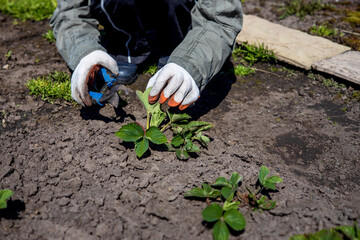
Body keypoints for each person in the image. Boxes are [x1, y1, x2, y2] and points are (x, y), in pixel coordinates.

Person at [50, 0, 243, 110]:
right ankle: (128, 45)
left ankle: (177, 45)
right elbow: (70, 11)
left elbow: (221, 16)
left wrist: (191, 62)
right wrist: (83, 51)